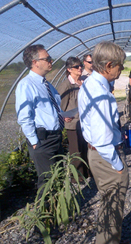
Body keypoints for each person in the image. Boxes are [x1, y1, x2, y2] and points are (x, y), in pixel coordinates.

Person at [78, 41, 129, 244]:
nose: (121, 69)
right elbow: (102, 141)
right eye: (120, 65)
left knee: (109, 205)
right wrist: (118, 167)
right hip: (106, 157)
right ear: (108, 65)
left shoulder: (90, 84)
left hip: (96, 155)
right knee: (112, 209)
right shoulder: (100, 95)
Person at [15, 44, 66, 192]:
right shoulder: (26, 85)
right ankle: (45, 213)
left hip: (54, 138)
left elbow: (51, 108)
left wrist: (62, 118)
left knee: (59, 177)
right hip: (43, 141)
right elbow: (25, 116)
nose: (51, 61)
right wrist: (34, 141)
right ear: (35, 62)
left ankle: (59, 212)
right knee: (48, 182)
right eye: (47, 58)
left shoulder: (46, 84)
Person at [58, 57, 90, 181]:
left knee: (85, 147)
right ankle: (76, 177)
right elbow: (60, 105)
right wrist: (64, 116)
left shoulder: (83, 81)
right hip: (73, 123)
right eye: (76, 67)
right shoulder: (66, 85)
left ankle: (87, 172)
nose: (80, 68)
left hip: (85, 121)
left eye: (80, 65)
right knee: (75, 150)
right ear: (69, 69)